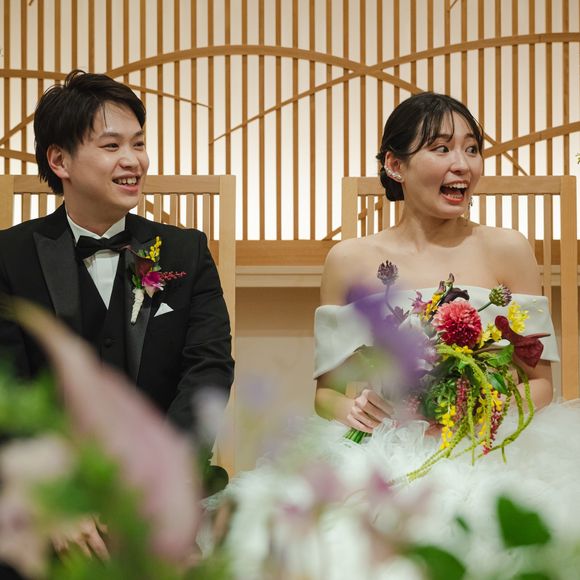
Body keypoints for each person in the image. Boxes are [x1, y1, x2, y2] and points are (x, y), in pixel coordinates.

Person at [211, 93, 580, 579]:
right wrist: (353, 410)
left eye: (472, 149)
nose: (463, 165)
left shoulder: (508, 248)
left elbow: (541, 385)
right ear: (394, 165)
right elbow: (326, 395)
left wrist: (479, 407)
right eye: (442, 148)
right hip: (387, 444)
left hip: (487, 444)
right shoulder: (349, 260)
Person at [0, 70, 234, 559]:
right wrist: (53, 501)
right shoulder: (10, 257)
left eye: (139, 143)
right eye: (111, 146)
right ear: (59, 160)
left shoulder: (186, 252)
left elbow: (207, 371)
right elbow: (8, 392)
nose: (133, 161)